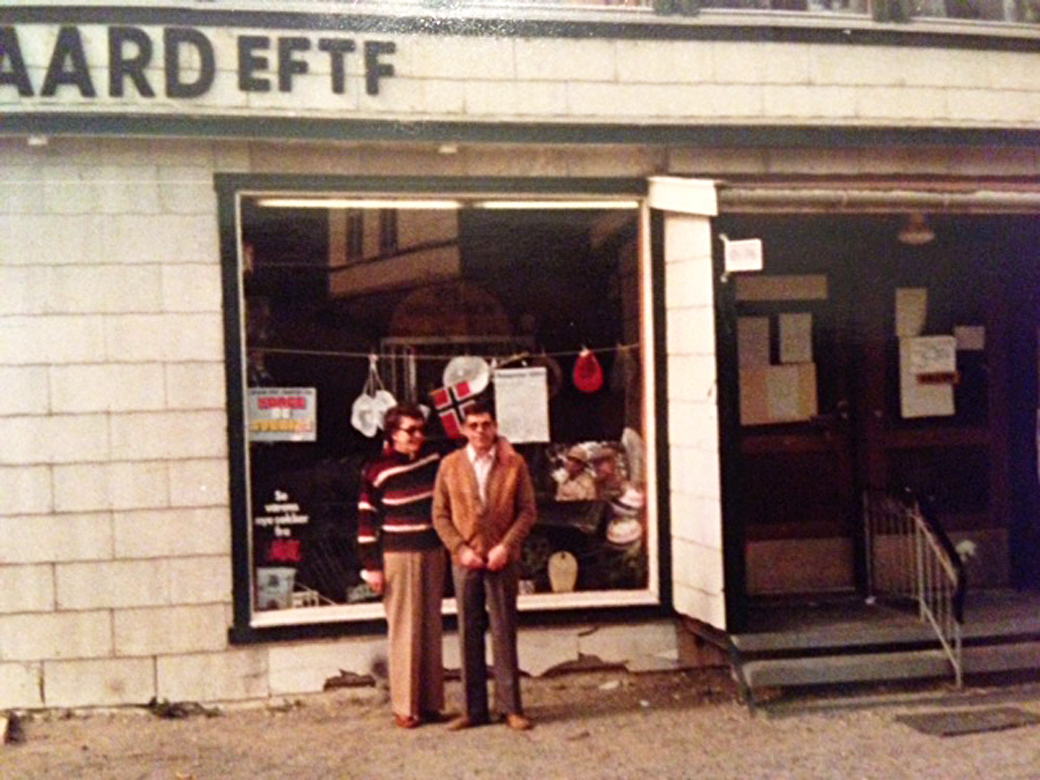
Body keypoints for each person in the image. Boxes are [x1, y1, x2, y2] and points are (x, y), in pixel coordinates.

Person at [432, 401, 537, 732]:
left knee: (504, 632)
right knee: (469, 633)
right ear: (463, 429)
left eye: (486, 424)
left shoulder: (513, 463)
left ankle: (510, 707)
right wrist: (460, 549)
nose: (480, 431)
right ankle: (473, 709)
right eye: (474, 425)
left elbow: (527, 511)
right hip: (465, 560)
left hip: (501, 559)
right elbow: (439, 514)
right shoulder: (450, 465)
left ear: (495, 427)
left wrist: (506, 546)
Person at [356, 403, 448, 729]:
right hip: (397, 555)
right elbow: (367, 522)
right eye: (410, 431)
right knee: (404, 629)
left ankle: (432, 702)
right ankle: (405, 707)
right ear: (393, 433)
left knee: (431, 628)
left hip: (433, 552)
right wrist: (372, 567)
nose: (417, 437)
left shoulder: (434, 460)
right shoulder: (376, 470)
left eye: (421, 430)